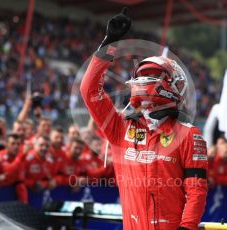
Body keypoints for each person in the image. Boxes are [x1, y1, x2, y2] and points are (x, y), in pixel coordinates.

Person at [80, 8, 208, 230]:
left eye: (154, 77)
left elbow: (196, 191)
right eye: (143, 77)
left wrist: (186, 228)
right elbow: (89, 89)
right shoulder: (119, 128)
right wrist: (109, 44)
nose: (146, 82)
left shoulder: (189, 135)